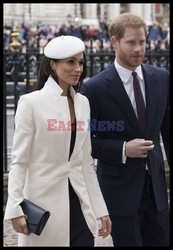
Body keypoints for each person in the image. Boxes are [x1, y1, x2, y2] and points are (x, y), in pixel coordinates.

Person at [4, 35, 112, 247]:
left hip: (80, 204)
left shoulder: (83, 103)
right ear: (52, 65)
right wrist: (15, 207)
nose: (78, 69)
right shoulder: (30, 103)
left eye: (80, 62)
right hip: (43, 209)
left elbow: (86, 163)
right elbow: (19, 162)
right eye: (70, 62)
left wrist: (100, 209)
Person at [80, 13, 170, 247]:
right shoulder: (94, 88)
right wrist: (122, 149)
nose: (139, 49)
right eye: (131, 42)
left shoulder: (161, 78)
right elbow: (86, 142)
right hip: (119, 191)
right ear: (114, 42)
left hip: (157, 190)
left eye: (142, 42)